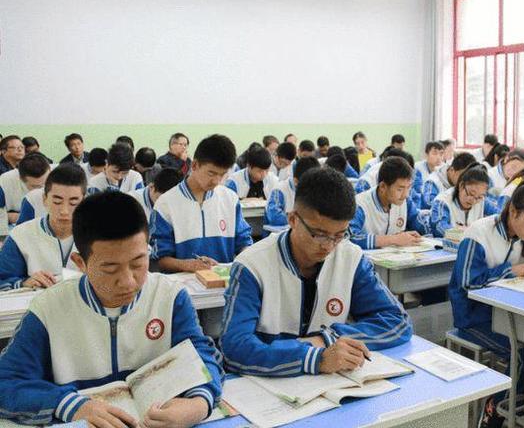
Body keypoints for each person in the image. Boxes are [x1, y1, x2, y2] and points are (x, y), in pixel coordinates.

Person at [0, 191, 224, 426]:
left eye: (138, 263)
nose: (127, 282)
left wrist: (199, 403)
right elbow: (6, 382)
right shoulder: (49, 309)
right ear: (80, 263)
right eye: (110, 268)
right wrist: (71, 405)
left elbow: (202, 356)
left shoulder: (170, 296)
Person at [220, 167, 412, 377]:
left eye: (339, 235)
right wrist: (314, 358)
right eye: (319, 235)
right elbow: (234, 349)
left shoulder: (351, 258)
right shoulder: (252, 265)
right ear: (293, 219)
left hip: (334, 386)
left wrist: (326, 339)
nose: (329, 246)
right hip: (266, 387)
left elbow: (397, 322)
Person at [449, 180, 524, 428]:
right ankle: (493, 413)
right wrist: (511, 271)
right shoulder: (479, 233)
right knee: (523, 354)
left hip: (506, 314)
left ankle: (521, 408)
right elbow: (467, 282)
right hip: (473, 317)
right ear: (513, 210)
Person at [151, 135, 253, 273]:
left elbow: (244, 243)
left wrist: (245, 258)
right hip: (183, 283)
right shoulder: (166, 204)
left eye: (222, 174)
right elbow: (160, 260)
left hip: (224, 282)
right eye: (211, 173)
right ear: (194, 165)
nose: (216, 181)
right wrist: (188, 265)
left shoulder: (230, 199)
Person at [0, 164, 86, 291]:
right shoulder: (21, 235)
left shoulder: (100, 235)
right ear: (44, 199)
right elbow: (2, 280)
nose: (64, 211)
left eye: (73, 203)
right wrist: (23, 283)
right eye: (57, 202)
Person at [350, 157, 429, 249]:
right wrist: (394, 239)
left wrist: (414, 235)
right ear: (383, 186)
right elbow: (352, 238)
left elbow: (418, 223)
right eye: (400, 189)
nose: (406, 195)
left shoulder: (405, 201)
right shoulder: (360, 205)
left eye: (409, 188)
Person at [429, 164, 498, 238]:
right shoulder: (442, 201)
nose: (473, 200)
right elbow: (439, 228)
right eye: (471, 194)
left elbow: (500, 215)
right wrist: (465, 233)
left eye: (479, 197)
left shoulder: (482, 201)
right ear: (461, 185)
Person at [0, 153, 51, 234]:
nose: (42, 190)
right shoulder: (4, 182)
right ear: (21, 178)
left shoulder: (63, 177)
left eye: (46, 183)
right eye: (36, 186)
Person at [264, 156, 320, 228]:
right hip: (280, 233)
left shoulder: (315, 189)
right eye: (308, 185)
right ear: (296, 181)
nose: (311, 188)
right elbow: (274, 217)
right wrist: (302, 221)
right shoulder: (279, 190)